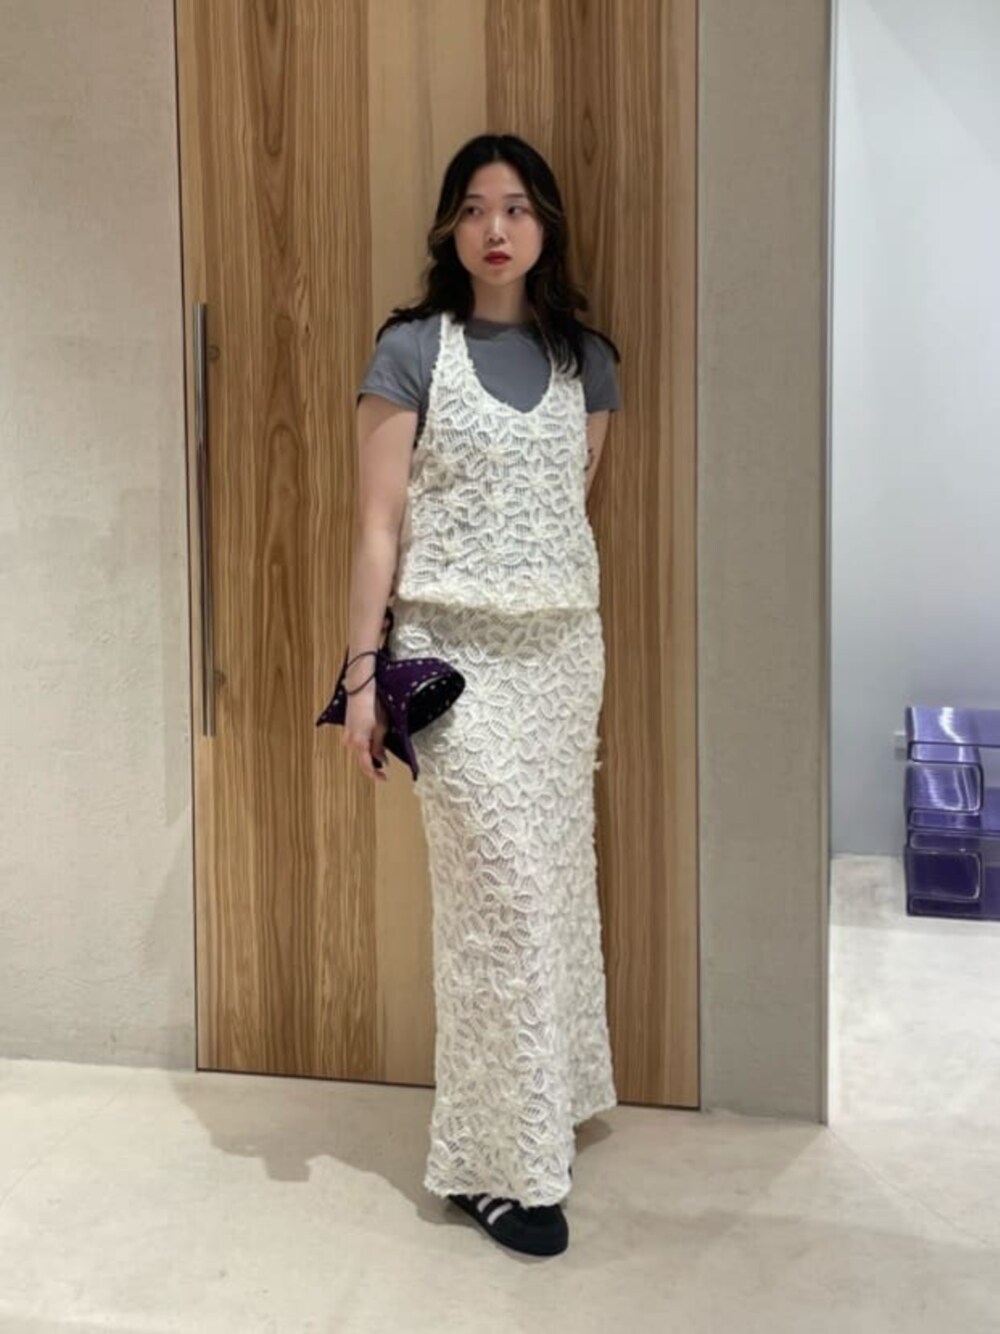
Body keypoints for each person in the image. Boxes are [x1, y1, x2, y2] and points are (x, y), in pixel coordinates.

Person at [341, 132, 621, 1257]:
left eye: (515, 208)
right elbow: (377, 527)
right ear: (448, 227)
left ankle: (545, 1100)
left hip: (560, 658)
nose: (494, 229)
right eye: (472, 208)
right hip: (450, 663)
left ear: (545, 225)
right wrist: (361, 671)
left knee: (552, 889)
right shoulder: (411, 350)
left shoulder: (587, 361)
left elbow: (565, 507)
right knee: (498, 896)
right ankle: (491, 1166)